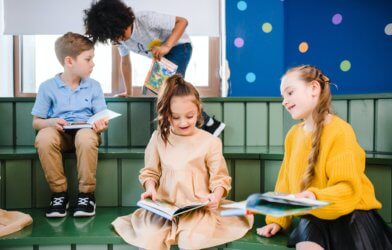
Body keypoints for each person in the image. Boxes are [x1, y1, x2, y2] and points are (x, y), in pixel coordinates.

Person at [257, 65, 392, 249]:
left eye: (289, 93)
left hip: (351, 217)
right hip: (314, 217)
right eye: (283, 96)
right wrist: (278, 220)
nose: (284, 101)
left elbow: (348, 188)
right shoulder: (293, 136)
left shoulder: (340, 131)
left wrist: (313, 195)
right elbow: (285, 183)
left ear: (314, 88)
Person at [111, 75, 253, 249]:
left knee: (191, 243)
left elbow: (220, 179)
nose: (183, 122)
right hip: (164, 210)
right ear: (166, 114)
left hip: (198, 211)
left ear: (199, 111)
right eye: (175, 117)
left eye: (189, 116)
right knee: (149, 241)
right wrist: (150, 188)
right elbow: (150, 172)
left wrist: (215, 196)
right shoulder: (158, 138)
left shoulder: (210, 142)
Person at [83, 0, 225, 137]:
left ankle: (206, 124)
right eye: (114, 37)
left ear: (123, 21)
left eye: (120, 34)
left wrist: (166, 46)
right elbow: (125, 62)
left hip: (179, 47)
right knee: (151, 92)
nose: (120, 39)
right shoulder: (118, 39)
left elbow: (182, 22)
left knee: (165, 89)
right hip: (163, 58)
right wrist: (129, 91)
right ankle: (209, 123)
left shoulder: (145, 19)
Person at [31, 32, 109, 218]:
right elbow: (36, 122)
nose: (93, 64)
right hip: (61, 135)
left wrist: (102, 125)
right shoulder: (47, 87)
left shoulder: (94, 86)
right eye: (88, 59)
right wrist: (50, 122)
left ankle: (86, 195)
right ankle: (59, 194)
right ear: (69, 61)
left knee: (84, 135)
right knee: (43, 137)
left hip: (87, 134)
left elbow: (102, 117)